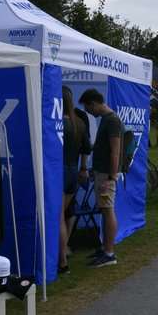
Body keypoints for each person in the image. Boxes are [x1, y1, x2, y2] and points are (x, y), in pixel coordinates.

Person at [79, 88, 124, 267]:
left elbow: (115, 151)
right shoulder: (106, 119)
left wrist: (111, 177)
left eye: (88, 108)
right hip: (102, 172)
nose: (88, 112)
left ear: (94, 103)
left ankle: (109, 253)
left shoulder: (112, 120)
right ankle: (105, 247)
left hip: (107, 174)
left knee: (107, 210)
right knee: (104, 211)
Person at [59, 87, 91, 274]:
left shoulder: (57, 124)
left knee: (58, 218)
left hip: (60, 172)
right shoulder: (79, 123)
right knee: (63, 215)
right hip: (73, 172)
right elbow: (87, 149)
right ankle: (62, 256)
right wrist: (83, 168)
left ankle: (62, 261)